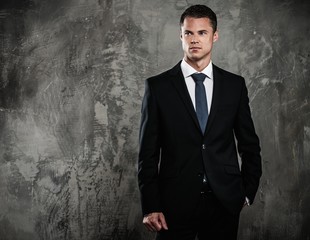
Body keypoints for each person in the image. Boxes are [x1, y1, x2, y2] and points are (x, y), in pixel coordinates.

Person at [138, 4, 262, 240]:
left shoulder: (234, 86)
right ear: (181, 36)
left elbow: (249, 145)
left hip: (224, 202)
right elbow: (147, 153)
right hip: (174, 204)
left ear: (215, 36)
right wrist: (150, 205)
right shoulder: (158, 87)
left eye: (202, 33)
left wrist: (246, 193)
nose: (194, 39)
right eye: (189, 33)